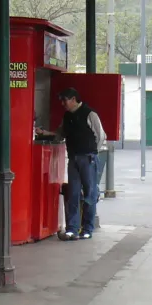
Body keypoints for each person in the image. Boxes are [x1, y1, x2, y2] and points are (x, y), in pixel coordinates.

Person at [35, 86, 105, 241]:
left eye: (64, 100)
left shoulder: (90, 114)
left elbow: (100, 135)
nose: (63, 103)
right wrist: (46, 133)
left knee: (89, 194)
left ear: (73, 99)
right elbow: (61, 133)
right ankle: (72, 229)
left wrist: (93, 152)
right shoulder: (67, 116)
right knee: (72, 194)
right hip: (73, 158)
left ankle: (87, 229)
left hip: (88, 158)